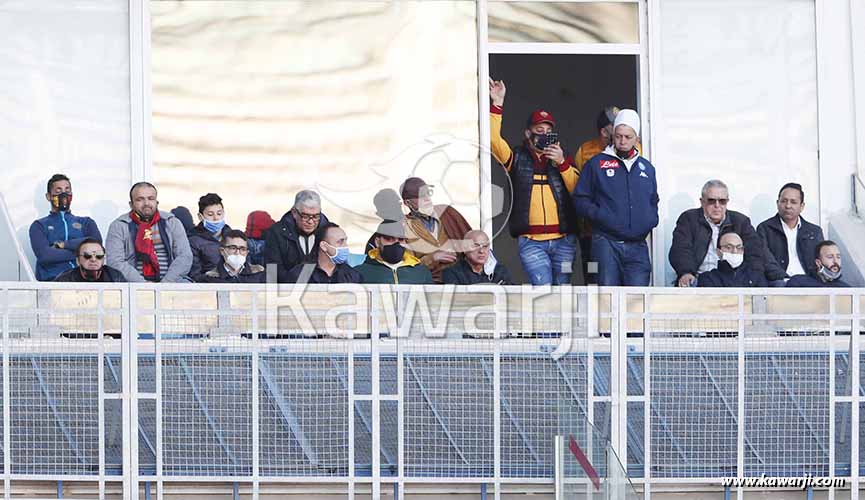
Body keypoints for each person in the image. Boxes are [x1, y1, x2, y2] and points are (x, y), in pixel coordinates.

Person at [488, 78, 578, 285]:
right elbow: (493, 140)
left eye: (548, 132)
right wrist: (497, 103)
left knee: (563, 290)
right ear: (528, 133)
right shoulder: (517, 157)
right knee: (542, 289)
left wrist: (561, 162)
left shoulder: (563, 156)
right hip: (531, 243)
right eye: (539, 131)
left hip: (564, 241)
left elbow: (577, 190)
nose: (544, 136)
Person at [573, 109, 658, 286]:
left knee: (637, 298)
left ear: (637, 139)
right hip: (606, 243)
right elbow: (580, 199)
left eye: (628, 137)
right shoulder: (596, 164)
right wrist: (600, 216)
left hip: (638, 246)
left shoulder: (647, 168)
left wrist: (650, 220)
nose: (622, 141)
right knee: (607, 298)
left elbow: (653, 200)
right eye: (618, 136)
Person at [669, 180, 763, 287]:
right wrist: (686, 272)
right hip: (697, 281)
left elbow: (755, 255)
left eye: (722, 201)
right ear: (702, 202)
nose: (717, 205)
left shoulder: (741, 222)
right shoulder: (689, 219)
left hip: (732, 282)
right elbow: (681, 249)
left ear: (727, 202)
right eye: (711, 201)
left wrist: (751, 280)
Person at [105, 182, 193, 283]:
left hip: (172, 282)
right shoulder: (119, 226)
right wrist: (143, 285)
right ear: (131, 204)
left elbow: (185, 257)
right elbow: (115, 261)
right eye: (140, 199)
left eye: (151, 198)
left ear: (157, 202)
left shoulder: (172, 222)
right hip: (132, 285)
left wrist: (165, 283)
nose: (146, 203)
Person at [29, 174, 102, 281]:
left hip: (84, 282)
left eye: (67, 190)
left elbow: (96, 245)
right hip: (52, 282)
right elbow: (45, 256)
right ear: (48, 196)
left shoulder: (86, 222)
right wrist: (82, 253)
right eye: (58, 191)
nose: (64, 195)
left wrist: (64, 245)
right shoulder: (39, 225)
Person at [401, 177, 472, 283]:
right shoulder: (404, 226)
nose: (427, 198)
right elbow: (406, 268)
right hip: (429, 284)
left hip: (461, 280)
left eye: (428, 193)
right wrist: (432, 258)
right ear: (407, 203)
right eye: (420, 196)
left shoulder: (447, 212)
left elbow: (475, 242)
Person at [757, 183, 824, 285]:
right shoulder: (765, 228)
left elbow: (822, 261)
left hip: (809, 283)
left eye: (793, 202)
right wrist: (787, 279)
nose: (788, 206)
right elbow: (766, 261)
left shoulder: (814, 231)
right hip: (781, 282)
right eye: (784, 201)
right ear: (777, 203)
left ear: (802, 206)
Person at [264, 190, 330, 283]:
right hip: (287, 288)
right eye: (305, 216)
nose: (311, 221)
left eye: (316, 216)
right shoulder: (276, 233)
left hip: (323, 288)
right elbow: (272, 272)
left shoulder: (330, 233)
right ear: (294, 212)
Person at [356, 220, 433, 284]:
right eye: (389, 238)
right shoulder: (360, 273)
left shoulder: (422, 273)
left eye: (401, 239)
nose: (396, 243)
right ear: (377, 242)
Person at [286, 223, 363, 284]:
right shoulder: (301, 274)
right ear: (323, 246)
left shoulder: (352, 276)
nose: (345, 246)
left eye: (345, 241)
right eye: (340, 242)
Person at [695, 231, 766, 287]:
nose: (734, 251)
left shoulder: (757, 277)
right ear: (718, 252)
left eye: (739, 248)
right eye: (729, 247)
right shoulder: (708, 278)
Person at [442, 230, 512, 285]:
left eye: (485, 246)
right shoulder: (452, 273)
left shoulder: (499, 271)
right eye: (476, 246)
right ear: (464, 249)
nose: (481, 251)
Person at [188, 193, 232, 281]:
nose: (216, 218)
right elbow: (194, 274)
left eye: (219, 214)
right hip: (210, 284)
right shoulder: (193, 241)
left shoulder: (232, 236)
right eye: (210, 215)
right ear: (200, 217)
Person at [199, 230, 266, 284]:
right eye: (233, 248)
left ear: (247, 252)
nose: (237, 253)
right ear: (222, 251)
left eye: (242, 249)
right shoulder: (210, 279)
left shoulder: (260, 274)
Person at [54, 238, 125, 282]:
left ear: (103, 260)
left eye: (99, 256)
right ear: (78, 261)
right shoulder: (64, 280)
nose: (93, 259)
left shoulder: (115, 277)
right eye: (87, 256)